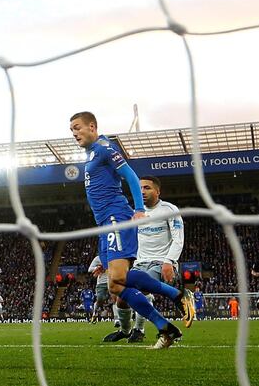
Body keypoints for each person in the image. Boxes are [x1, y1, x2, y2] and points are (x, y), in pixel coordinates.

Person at [69, 112, 195, 349]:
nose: (74, 133)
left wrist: (138, 208)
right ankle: (166, 328)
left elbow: (130, 175)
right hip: (105, 224)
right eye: (71, 130)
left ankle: (178, 296)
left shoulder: (105, 147)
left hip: (117, 217)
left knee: (118, 278)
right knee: (114, 286)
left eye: (77, 127)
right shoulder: (91, 154)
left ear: (92, 126)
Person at [122, 176, 185, 344]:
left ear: (158, 191)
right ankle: (160, 329)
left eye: (147, 188)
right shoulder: (135, 213)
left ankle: (180, 298)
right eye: (140, 188)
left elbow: (178, 239)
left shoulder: (169, 209)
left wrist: (169, 261)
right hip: (139, 263)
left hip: (160, 261)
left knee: (143, 286)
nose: (142, 191)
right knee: (119, 292)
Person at [87, 256, 111, 324]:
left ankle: (117, 319)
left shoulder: (114, 254)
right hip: (101, 283)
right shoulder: (98, 258)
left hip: (112, 280)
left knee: (115, 298)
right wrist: (98, 268)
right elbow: (89, 269)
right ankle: (95, 314)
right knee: (100, 299)